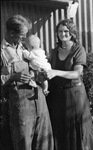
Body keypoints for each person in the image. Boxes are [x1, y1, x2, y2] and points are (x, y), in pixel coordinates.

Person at [1, 14, 54, 150]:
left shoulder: (26, 48)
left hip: (39, 100)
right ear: (12, 33)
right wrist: (12, 77)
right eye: (22, 35)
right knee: (23, 145)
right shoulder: (2, 52)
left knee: (45, 143)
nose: (25, 38)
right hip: (20, 106)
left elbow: (35, 71)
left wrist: (41, 76)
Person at [46, 19, 93, 150]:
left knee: (77, 131)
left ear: (72, 32)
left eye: (66, 31)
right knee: (60, 130)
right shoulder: (54, 51)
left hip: (75, 95)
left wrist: (55, 72)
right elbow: (49, 72)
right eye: (60, 31)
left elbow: (76, 74)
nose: (62, 34)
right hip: (57, 97)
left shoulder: (78, 49)